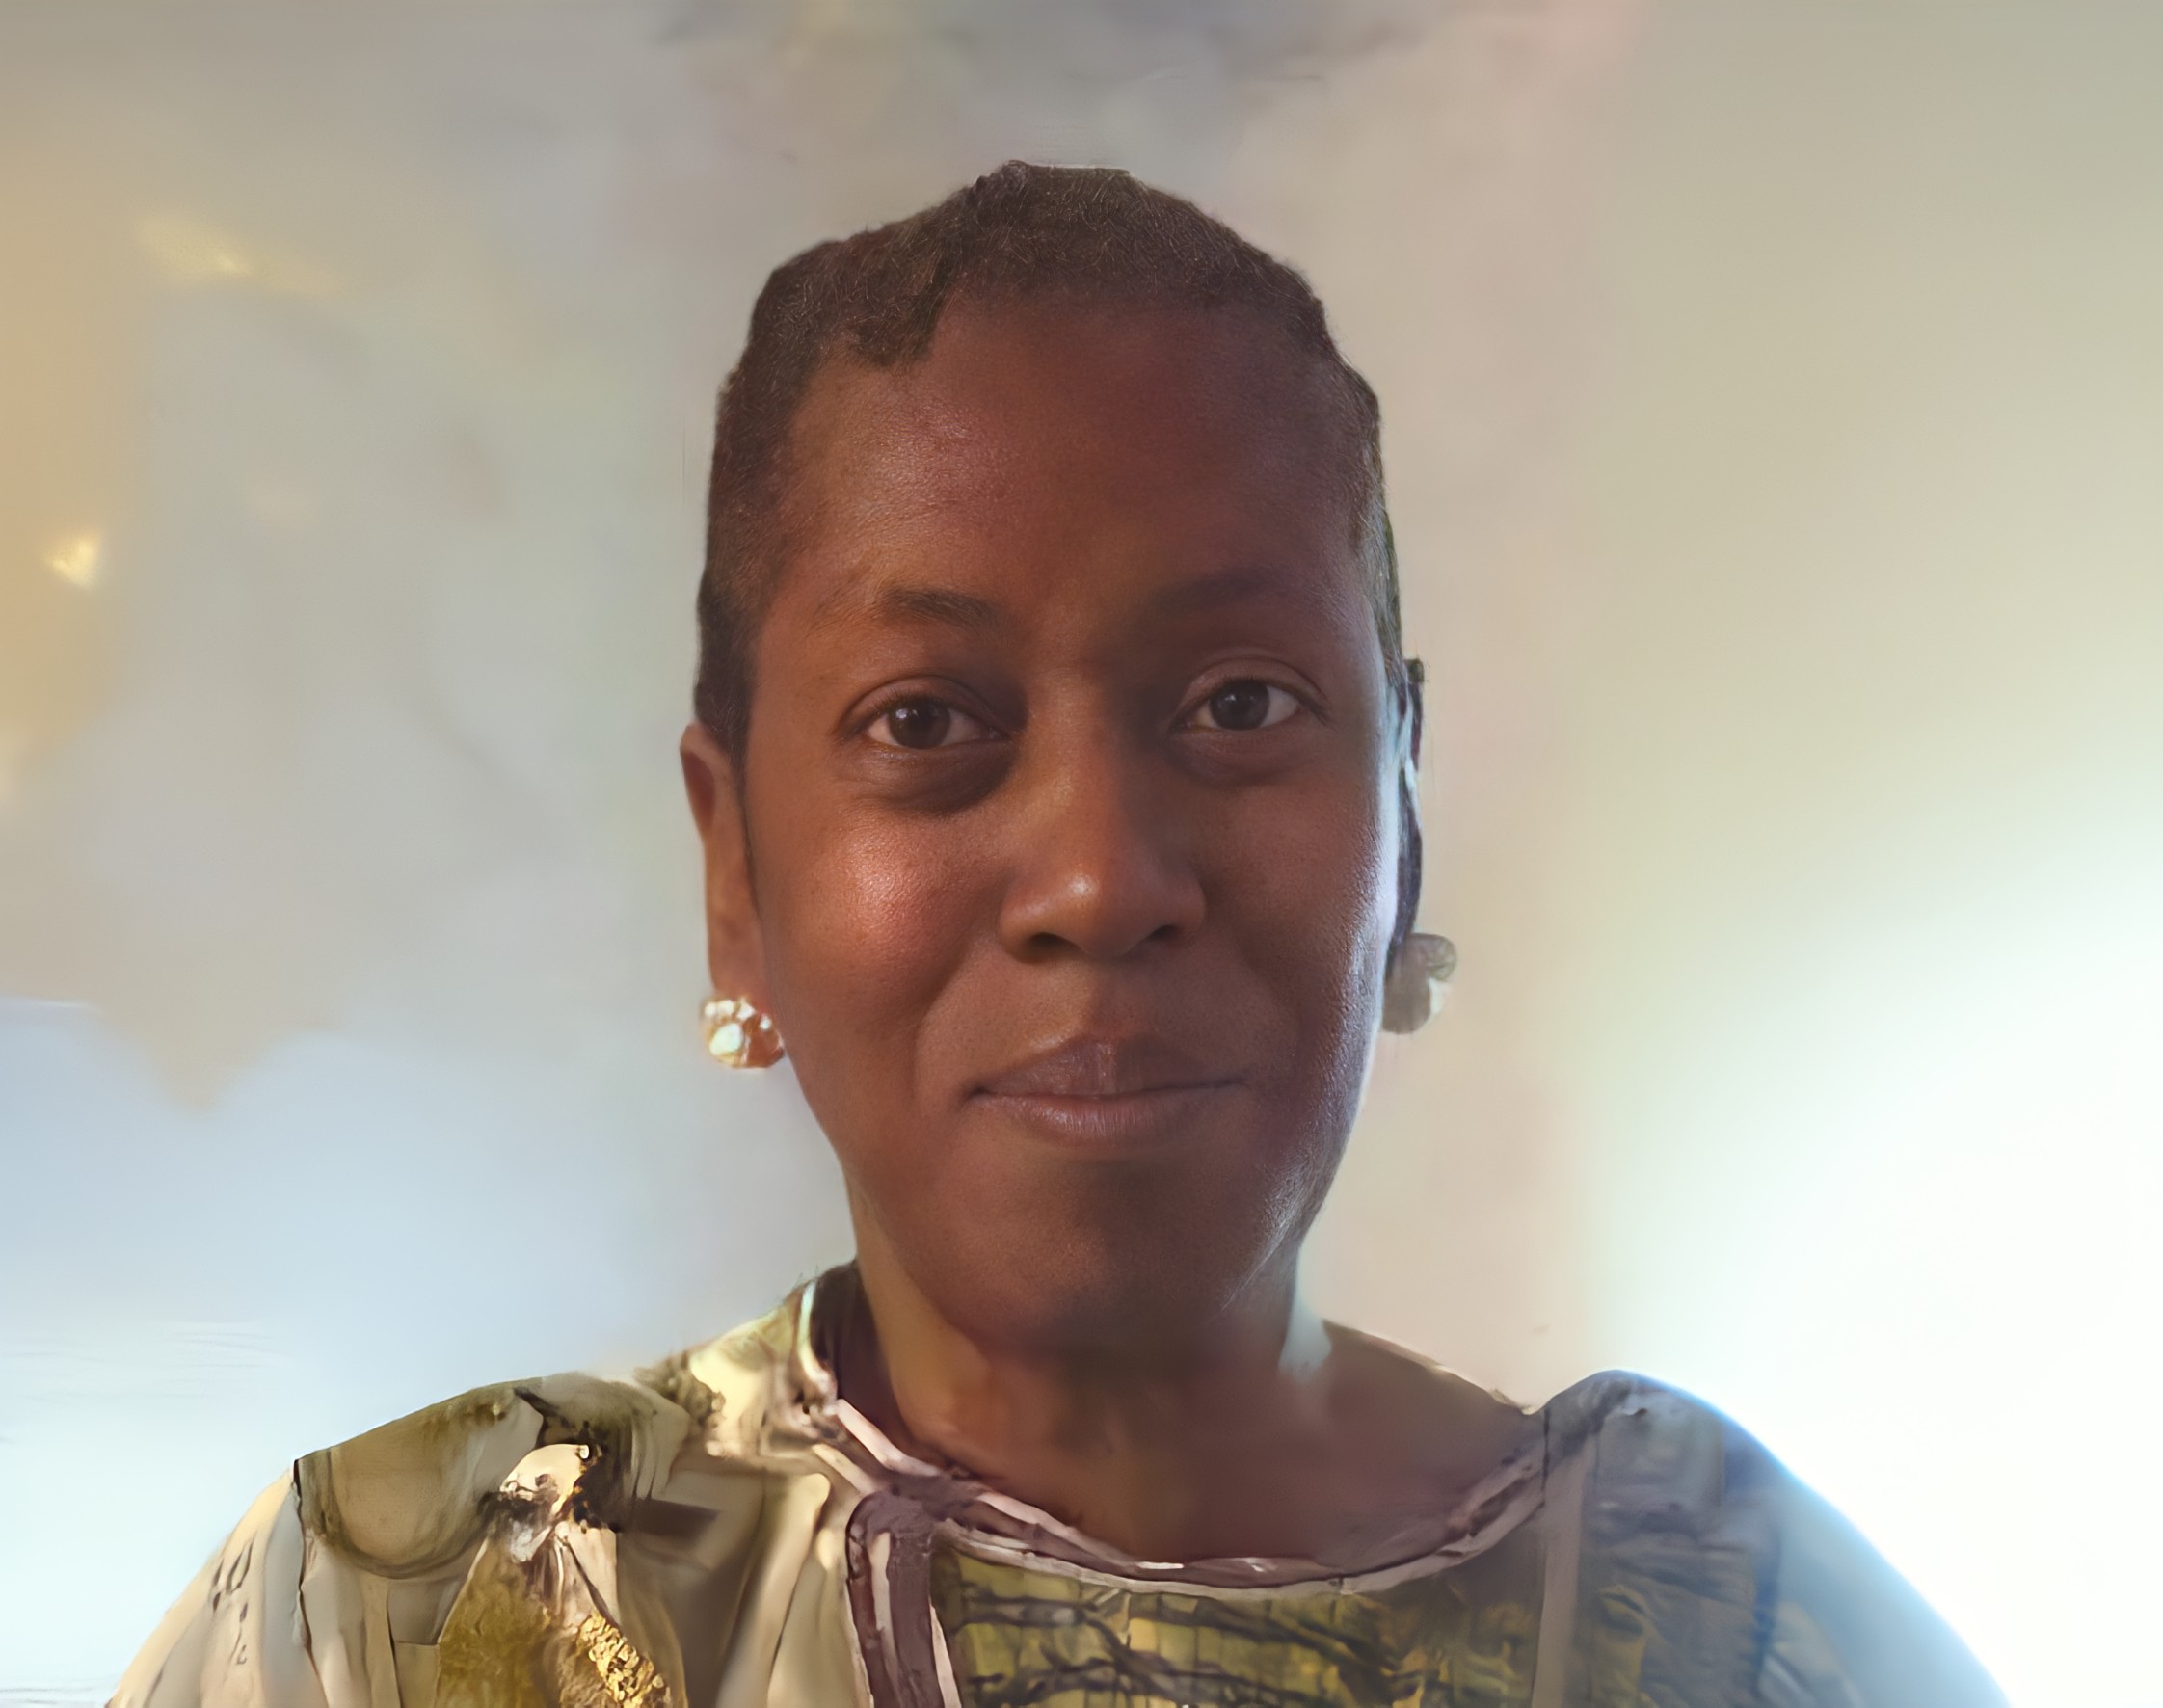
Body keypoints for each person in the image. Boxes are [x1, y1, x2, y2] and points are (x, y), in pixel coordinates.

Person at [113, 163, 2002, 1708]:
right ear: (736, 867)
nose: (1100, 879)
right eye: (927, 721)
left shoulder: (1720, 1620)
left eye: (1241, 705)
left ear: (1405, 817)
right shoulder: (415, 1614)